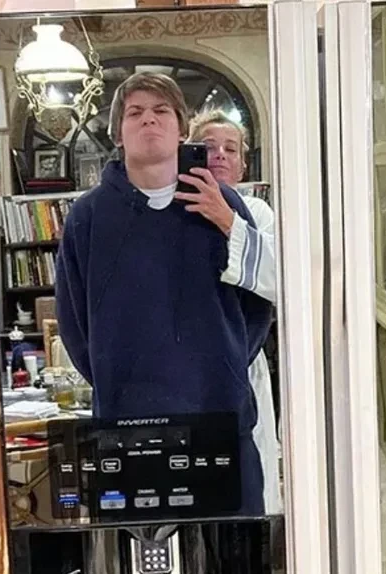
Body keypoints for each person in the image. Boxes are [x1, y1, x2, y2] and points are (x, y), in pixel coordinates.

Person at [55, 72, 272, 515]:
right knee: (142, 546)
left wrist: (228, 362)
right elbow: (74, 321)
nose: (148, 120)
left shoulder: (222, 203)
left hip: (219, 412)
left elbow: (256, 306)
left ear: (182, 129)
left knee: (232, 543)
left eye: (161, 111)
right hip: (127, 422)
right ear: (118, 133)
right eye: (135, 112)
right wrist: (115, 375)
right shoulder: (87, 217)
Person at [187, 108, 282, 514]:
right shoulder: (170, 208)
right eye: (208, 147)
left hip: (241, 364)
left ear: (243, 164)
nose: (220, 155)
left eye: (231, 149)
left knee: (246, 489)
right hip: (184, 368)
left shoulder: (256, 212)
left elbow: (281, 279)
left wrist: (228, 220)